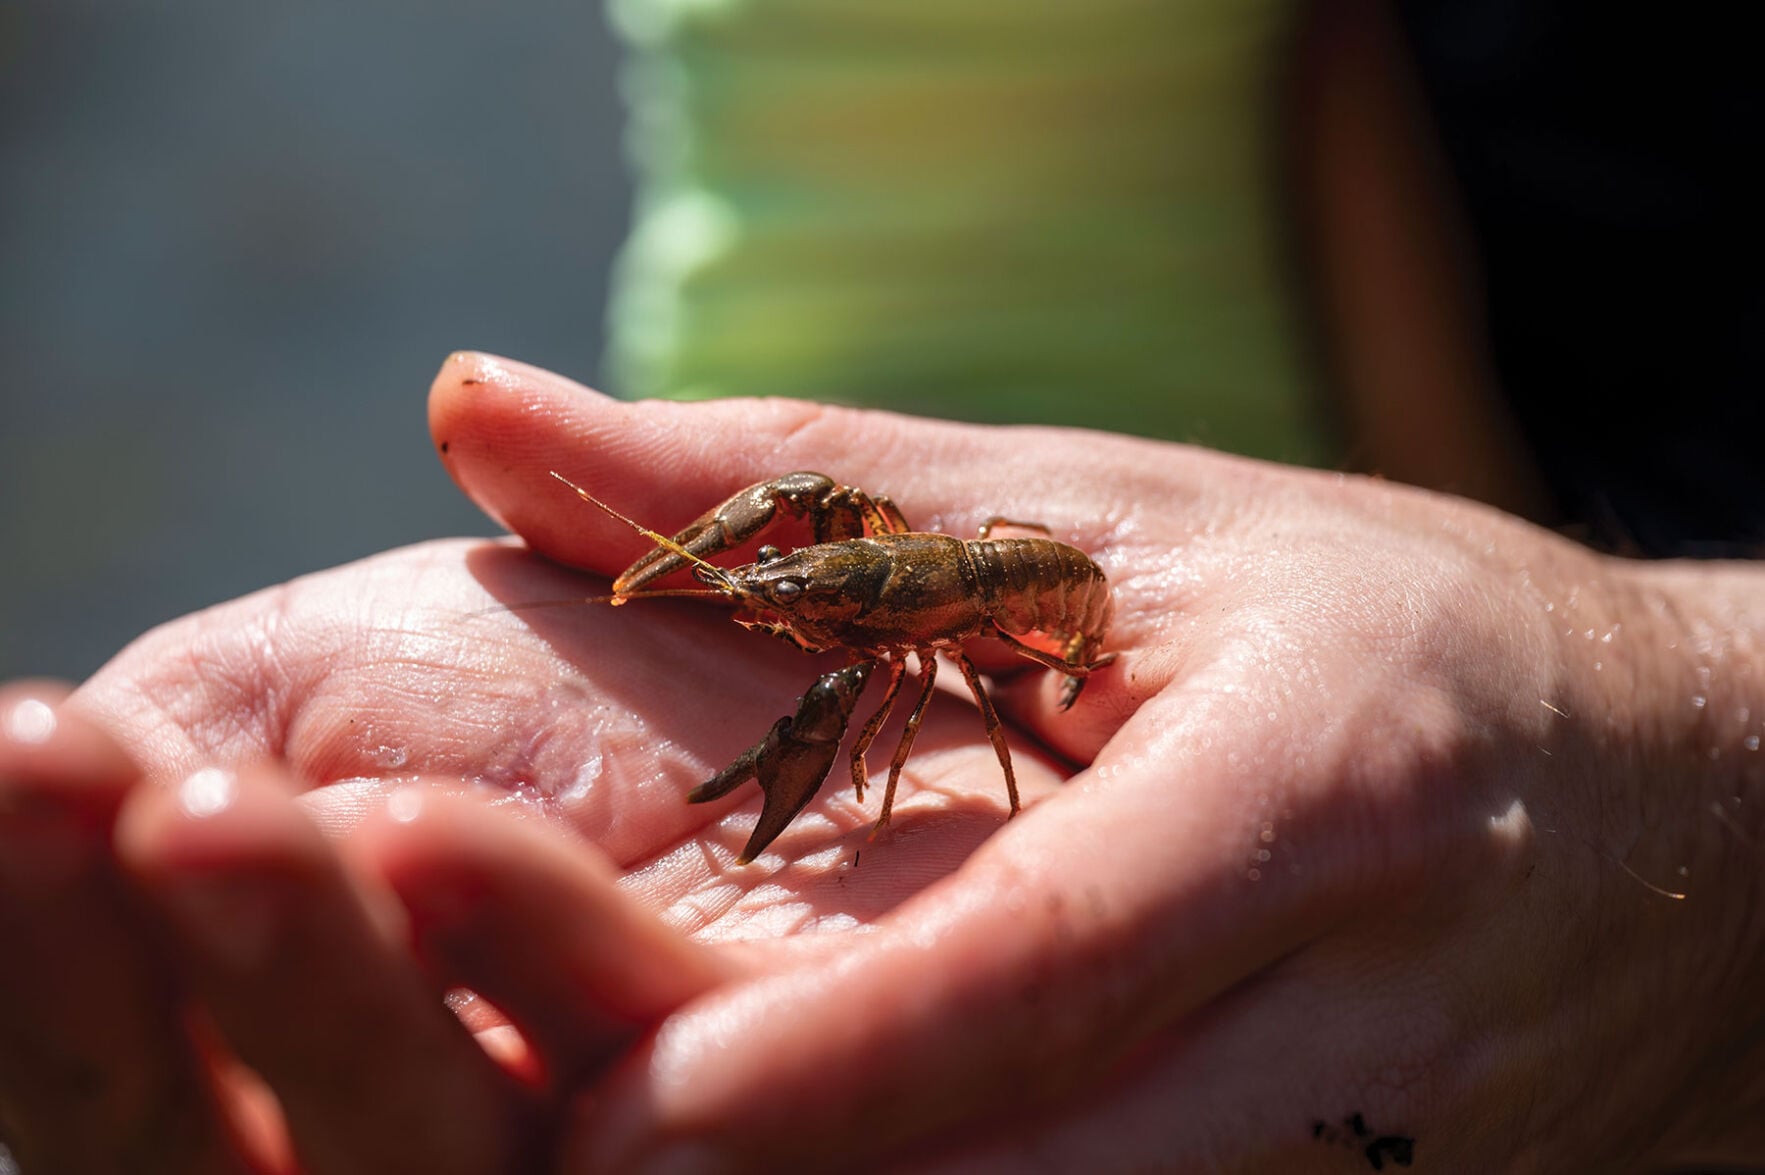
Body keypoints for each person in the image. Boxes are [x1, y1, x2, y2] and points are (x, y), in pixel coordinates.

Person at [3, 353, 1762, 1171]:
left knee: (818, 729)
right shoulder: (848, 575)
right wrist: (703, 586)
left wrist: (1670, 735)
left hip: (1031, 606)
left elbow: (872, 702)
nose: (793, 607)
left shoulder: (949, 636)